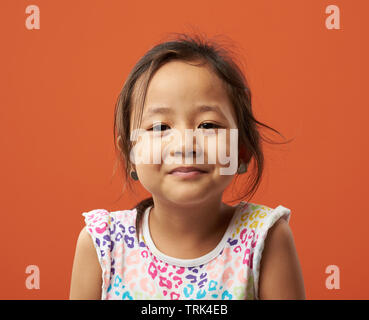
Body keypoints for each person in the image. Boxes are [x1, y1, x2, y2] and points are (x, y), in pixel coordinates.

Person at [69, 32, 305, 300]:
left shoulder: (265, 239)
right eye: (160, 127)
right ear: (130, 153)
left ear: (242, 149)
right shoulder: (103, 245)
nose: (185, 144)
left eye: (208, 125)